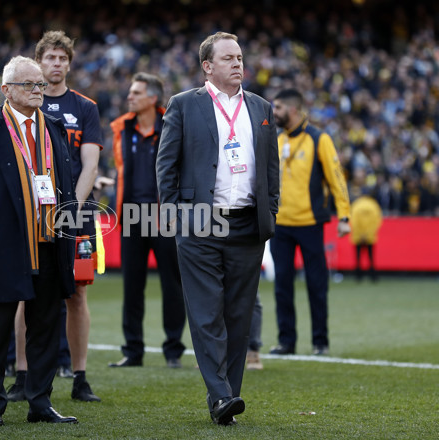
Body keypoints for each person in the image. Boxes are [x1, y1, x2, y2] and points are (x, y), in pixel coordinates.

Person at [156, 32, 279, 425]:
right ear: (207, 66)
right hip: (199, 223)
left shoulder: (261, 108)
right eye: (228, 58)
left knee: (238, 315)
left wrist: (269, 213)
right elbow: (166, 166)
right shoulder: (183, 105)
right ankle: (221, 395)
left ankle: (229, 396)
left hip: (246, 225)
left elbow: (271, 170)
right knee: (207, 312)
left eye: (240, 57)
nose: (238, 63)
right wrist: (175, 216)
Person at [0, 56, 78, 426]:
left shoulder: (54, 127)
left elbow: (65, 186)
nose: (38, 90)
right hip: (6, 242)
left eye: (40, 84)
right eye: (29, 85)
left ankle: (40, 402)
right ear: (7, 89)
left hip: (50, 239)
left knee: (45, 326)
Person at [6, 30, 102, 404]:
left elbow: (90, 164)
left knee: (77, 294)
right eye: (50, 58)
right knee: (24, 290)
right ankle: (22, 373)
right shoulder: (26, 103)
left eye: (63, 58)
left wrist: (71, 206)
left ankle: (79, 377)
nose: (57, 64)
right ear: (39, 62)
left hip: (73, 212)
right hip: (30, 213)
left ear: (69, 64)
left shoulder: (85, 108)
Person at [108, 72, 186, 369]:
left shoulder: (172, 125)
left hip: (164, 215)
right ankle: (133, 351)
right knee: (131, 285)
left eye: (137, 93)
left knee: (173, 285)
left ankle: (173, 351)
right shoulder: (121, 128)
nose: (130, 97)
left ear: (153, 98)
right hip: (130, 215)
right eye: (131, 92)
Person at [269, 88, 351, 356]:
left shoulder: (319, 139)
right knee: (282, 285)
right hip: (280, 224)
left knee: (316, 284)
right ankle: (286, 341)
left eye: (278, 107)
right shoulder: (277, 139)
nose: (274, 112)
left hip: (310, 224)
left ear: (293, 110)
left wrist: (344, 215)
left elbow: (336, 177)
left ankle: (320, 341)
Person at [350, 195, 382, 281]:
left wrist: (360, 234)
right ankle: (373, 276)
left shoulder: (356, 205)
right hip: (370, 236)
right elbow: (377, 221)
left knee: (358, 257)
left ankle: (358, 276)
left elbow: (354, 221)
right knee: (371, 257)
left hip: (358, 236)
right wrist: (368, 234)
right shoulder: (373, 205)